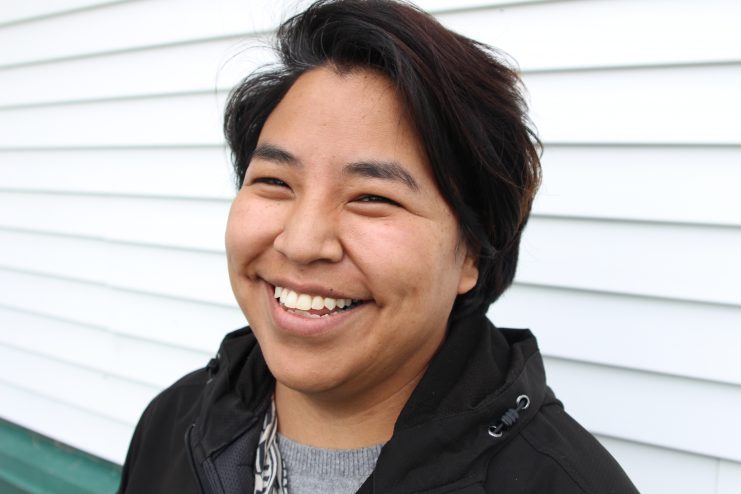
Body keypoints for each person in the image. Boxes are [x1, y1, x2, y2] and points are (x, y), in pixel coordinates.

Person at [118, 1, 638, 492]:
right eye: (274, 182)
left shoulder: (566, 483)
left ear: (472, 253)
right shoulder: (176, 424)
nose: (301, 243)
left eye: (372, 197)